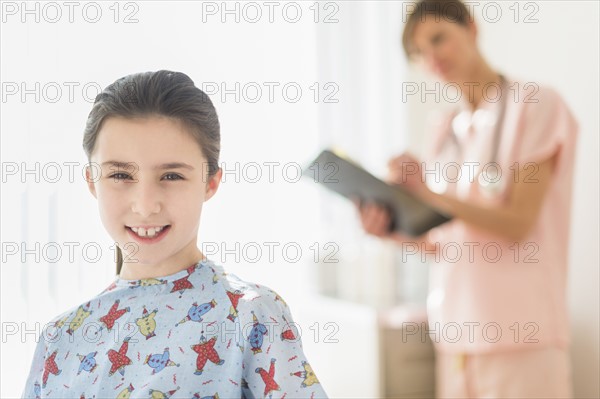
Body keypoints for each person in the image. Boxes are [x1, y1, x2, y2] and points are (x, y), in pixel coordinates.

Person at [21, 70, 328, 399]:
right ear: (92, 182)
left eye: (171, 175)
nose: (145, 205)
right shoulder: (61, 338)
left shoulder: (251, 316)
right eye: (121, 174)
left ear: (210, 182)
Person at [356, 1, 578, 398]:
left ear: (472, 29)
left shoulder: (536, 104)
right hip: (456, 337)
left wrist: (428, 192)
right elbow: (444, 243)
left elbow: (518, 221)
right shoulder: (443, 130)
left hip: (520, 338)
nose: (432, 58)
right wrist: (391, 230)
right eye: (419, 54)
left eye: (438, 39)